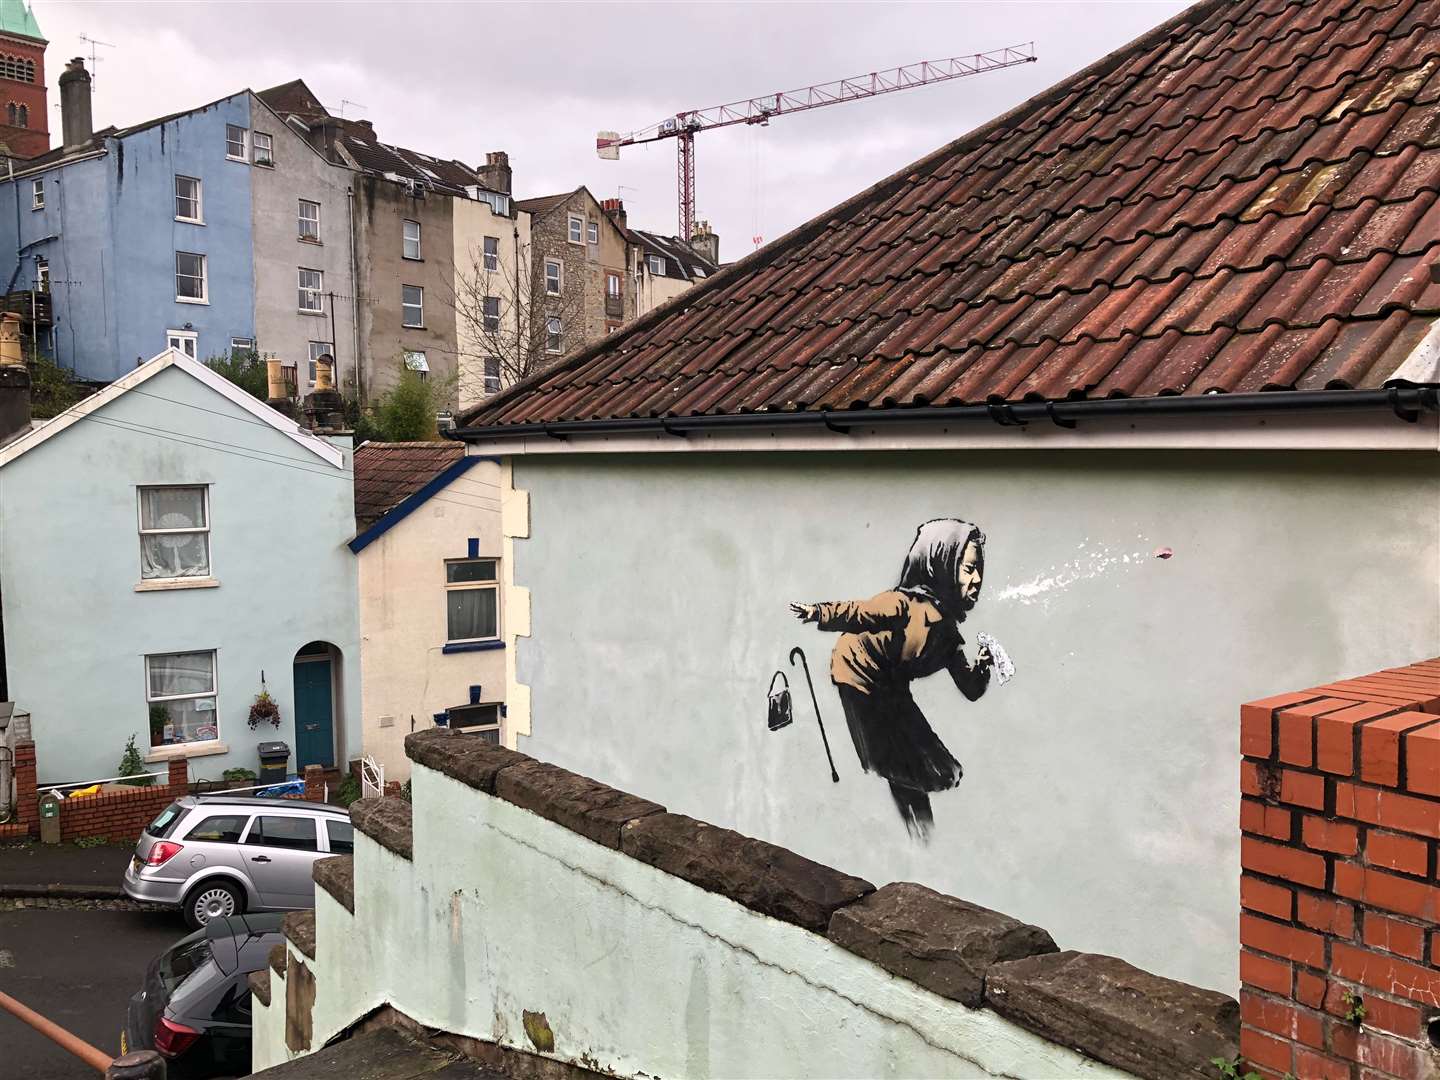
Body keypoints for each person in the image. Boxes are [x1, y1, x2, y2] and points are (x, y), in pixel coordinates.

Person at [791, 518, 992, 839]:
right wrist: (817, 612)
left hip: (892, 685)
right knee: (900, 763)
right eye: (969, 569)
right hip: (859, 674)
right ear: (942, 564)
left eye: (979, 570)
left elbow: (969, 688)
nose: (978, 579)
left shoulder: (949, 634)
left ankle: (921, 832)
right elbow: (858, 612)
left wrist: (984, 666)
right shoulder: (903, 604)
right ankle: (917, 831)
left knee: (939, 768)